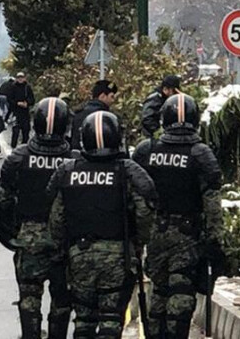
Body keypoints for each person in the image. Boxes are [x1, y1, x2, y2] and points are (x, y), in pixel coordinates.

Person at [47, 111, 157, 338]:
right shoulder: (128, 171)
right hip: (118, 257)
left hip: (80, 256)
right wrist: (139, 244)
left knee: (84, 320)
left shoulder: (68, 171)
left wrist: (62, 251)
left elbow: (56, 219)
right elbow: (144, 213)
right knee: (111, 320)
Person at [133, 94, 223, 339]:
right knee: (181, 292)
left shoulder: (147, 150)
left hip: (155, 233)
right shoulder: (200, 154)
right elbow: (212, 203)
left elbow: (134, 196)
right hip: (187, 235)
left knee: (159, 291)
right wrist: (215, 241)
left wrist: (136, 236)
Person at [0, 98, 75, 339]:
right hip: (65, 240)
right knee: (62, 298)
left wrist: (14, 233)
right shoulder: (75, 161)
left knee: (29, 296)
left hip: (29, 237)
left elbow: (2, 202)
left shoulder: (18, 158)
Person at [70, 80, 118, 151]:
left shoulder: (78, 113)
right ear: (102, 96)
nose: (113, 100)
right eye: (112, 97)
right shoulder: (107, 118)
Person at [8, 72, 35, 148]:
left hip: (25, 113)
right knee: (15, 131)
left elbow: (32, 99)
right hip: (16, 112)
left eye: (22, 77)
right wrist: (17, 103)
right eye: (18, 77)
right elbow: (9, 99)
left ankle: (25, 148)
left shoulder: (27, 87)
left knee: (26, 131)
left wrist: (27, 103)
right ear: (16, 79)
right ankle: (13, 148)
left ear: (24, 78)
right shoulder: (13, 87)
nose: (20, 79)